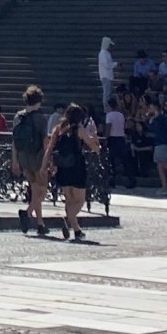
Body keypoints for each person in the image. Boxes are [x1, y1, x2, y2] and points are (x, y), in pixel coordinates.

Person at [41, 101, 102, 241]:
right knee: (79, 200)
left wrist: (44, 166)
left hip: (62, 167)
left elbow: (50, 148)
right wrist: (95, 137)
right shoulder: (79, 130)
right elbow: (95, 148)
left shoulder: (58, 129)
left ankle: (76, 230)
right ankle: (69, 220)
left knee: (69, 199)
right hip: (77, 166)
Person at [12, 85, 51, 235]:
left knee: (35, 190)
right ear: (39, 100)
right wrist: (49, 160)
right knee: (42, 190)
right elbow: (45, 141)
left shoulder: (18, 116)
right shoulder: (41, 118)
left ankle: (40, 224)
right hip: (38, 157)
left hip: (24, 156)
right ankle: (27, 213)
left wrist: (14, 160)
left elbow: (14, 140)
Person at [103, 96, 134, 190]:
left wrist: (105, 138)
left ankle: (112, 180)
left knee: (111, 160)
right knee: (124, 161)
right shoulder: (121, 115)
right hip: (121, 138)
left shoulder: (109, 115)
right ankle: (130, 179)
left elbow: (108, 128)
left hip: (112, 139)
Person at [97, 36, 116, 109]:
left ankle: (109, 108)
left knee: (109, 94)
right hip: (105, 76)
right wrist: (116, 64)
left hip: (109, 76)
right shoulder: (102, 53)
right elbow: (107, 65)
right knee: (107, 94)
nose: (110, 46)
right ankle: (106, 109)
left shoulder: (107, 53)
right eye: (109, 45)